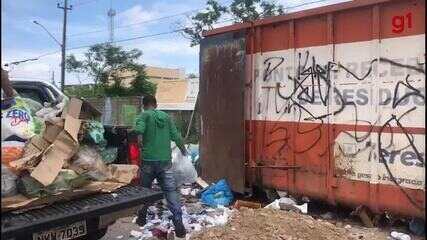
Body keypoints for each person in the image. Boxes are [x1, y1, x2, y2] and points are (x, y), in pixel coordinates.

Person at [134, 95, 187, 239]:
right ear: (156, 104)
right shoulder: (166, 117)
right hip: (165, 162)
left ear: (144, 105)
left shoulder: (144, 115)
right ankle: (178, 223)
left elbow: (138, 132)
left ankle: (142, 218)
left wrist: (140, 141)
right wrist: (183, 149)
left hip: (148, 161)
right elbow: (176, 136)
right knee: (171, 192)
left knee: (144, 191)